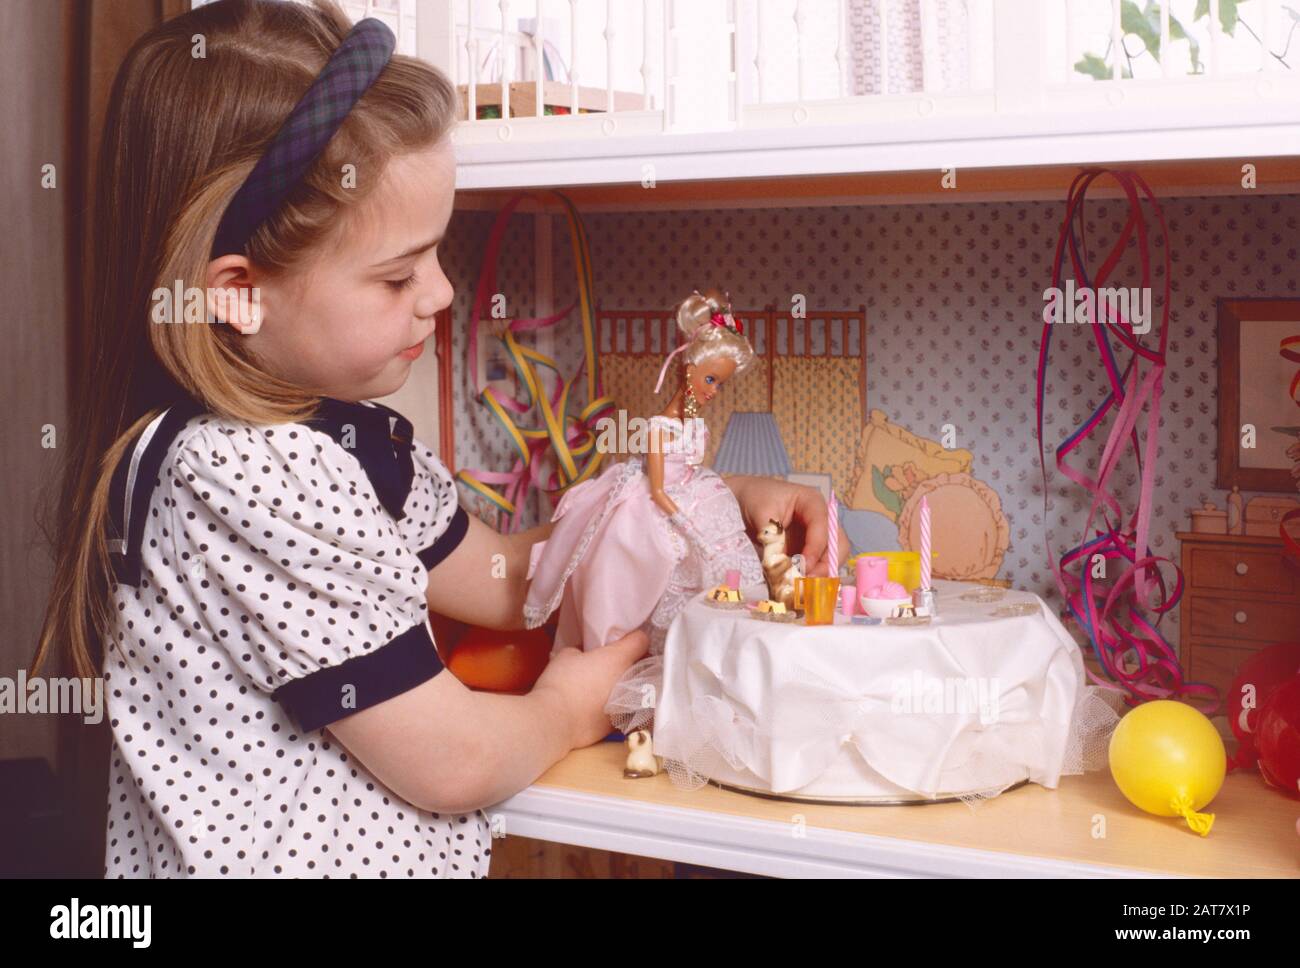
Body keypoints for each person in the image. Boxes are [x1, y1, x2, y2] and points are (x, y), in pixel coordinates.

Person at [33, 0, 842, 878]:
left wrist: (702, 500)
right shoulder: (242, 471)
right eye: (396, 275)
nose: (443, 293)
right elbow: (452, 760)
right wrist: (569, 704)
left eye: (437, 254)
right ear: (238, 293)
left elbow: (508, 581)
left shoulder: (339, 436)